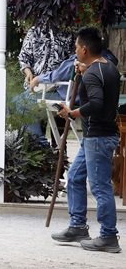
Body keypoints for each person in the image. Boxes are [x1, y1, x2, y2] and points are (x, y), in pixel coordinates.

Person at [51, 26, 122, 253]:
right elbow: (98, 91)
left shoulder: (92, 73)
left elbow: (96, 103)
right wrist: (83, 71)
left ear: (83, 49)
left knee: (100, 187)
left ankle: (109, 236)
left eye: (76, 47)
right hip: (98, 135)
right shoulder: (108, 68)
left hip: (98, 138)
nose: (75, 51)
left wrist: (73, 113)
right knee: (75, 176)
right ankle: (78, 226)